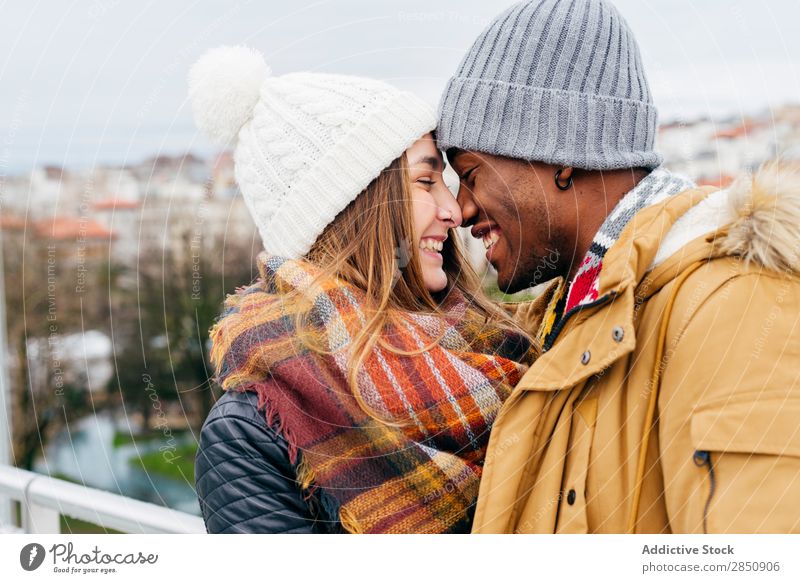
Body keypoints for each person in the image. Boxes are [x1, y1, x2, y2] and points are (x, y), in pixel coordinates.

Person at [436, 0, 800, 533]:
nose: (461, 210)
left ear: (560, 154)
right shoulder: (571, 319)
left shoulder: (733, 304)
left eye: (470, 173)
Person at [189, 46, 538, 533]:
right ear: (357, 206)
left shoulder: (501, 347)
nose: (453, 211)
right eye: (425, 180)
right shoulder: (251, 435)